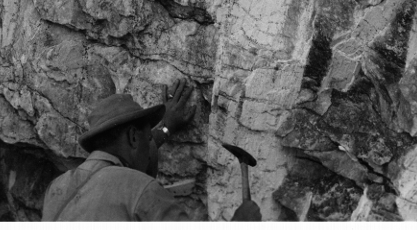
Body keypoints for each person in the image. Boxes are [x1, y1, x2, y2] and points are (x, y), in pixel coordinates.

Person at [41, 80, 261, 221]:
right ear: (133, 137)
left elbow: (137, 151)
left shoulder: (57, 189)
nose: (150, 144)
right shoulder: (140, 187)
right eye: (147, 137)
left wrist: (166, 127)